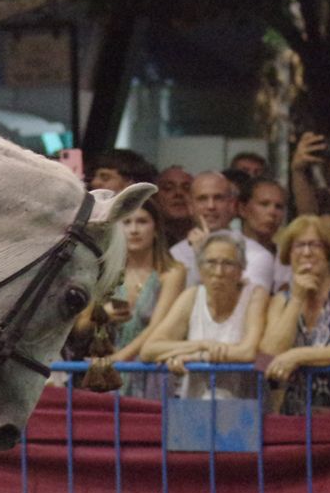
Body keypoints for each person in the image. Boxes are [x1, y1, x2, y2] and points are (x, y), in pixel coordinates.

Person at [260, 215, 330, 414]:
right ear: (288, 254)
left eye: (315, 245)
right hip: (295, 415)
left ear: (327, 251)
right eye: (299, 246)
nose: (307, 252)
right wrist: (296, 299)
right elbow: (267, 357)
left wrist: (298, 356)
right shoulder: (280, 300)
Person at [78, 198, 185, 398]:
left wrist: (120, 359)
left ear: (156, 229)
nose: (134, 230)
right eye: (126, 222)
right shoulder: (105, 271)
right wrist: (103, 314)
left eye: (142, 222)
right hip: (105, 374)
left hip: (151, 370)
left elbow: (158, 326)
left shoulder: (172, 272)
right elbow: (79, 326)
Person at [143, 231, 268, 400]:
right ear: (200, 269)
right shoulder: (192, 296)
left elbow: (247, 352)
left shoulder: (254, 294)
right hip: (195, 409)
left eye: (228, 263)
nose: (219, 271)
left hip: (244, 409)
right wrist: (203, 345)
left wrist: (194, 358)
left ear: (241, 270)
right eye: (211, 262)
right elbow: (149, 350)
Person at [170, 171, 275, 294]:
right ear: (191, 206)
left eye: (218, 198)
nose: (211, 206)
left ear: (231, 204)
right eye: (202, 199)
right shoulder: (174, 255)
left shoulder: (257, 255)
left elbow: (243, 305)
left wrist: (202, 254)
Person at [237, 176, 290, 292]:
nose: (272, 212)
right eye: (264, 204)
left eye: (279, 207)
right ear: (242, 209)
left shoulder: (287, 258)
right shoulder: (225, 248)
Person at [154, 165, 196, 247]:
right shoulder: (146, 239)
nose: (178, 193)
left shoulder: (209, 237)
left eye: (187, 188)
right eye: (168, 188)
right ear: (155, 196)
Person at [87, 150, 157, 194]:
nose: (94, 182)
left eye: (105, 178)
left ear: (129, 182)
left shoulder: (140, 215)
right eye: (92, 177)